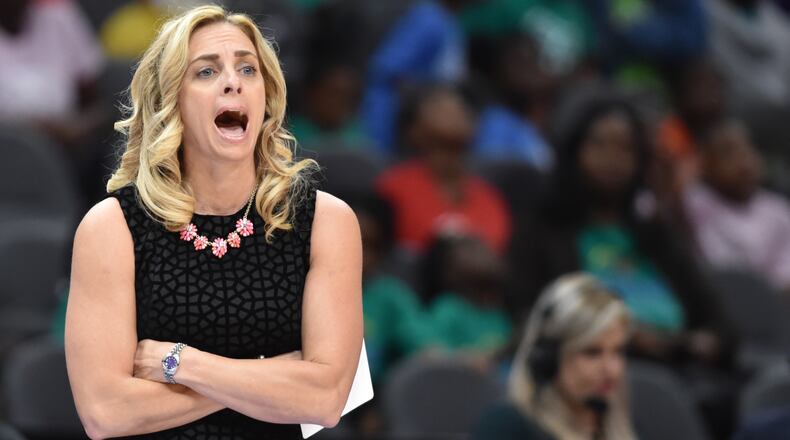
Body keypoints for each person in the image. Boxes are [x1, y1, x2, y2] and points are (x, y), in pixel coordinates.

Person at [64, 5, 363, 439]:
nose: (232, 81)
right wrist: (275, 377)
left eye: (248, 69)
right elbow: (106, 412)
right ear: (172, 101)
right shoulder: (112, 228)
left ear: (267, 94)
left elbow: (326, 400)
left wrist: (181, 364)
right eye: (205, 72)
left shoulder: (325, 222)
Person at [472, 272, 637, 440]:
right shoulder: (506, 427)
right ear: (547, 358)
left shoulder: (627, 426)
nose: (612, 370)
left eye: (618, 352)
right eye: (592, 353)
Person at [682, 118, 790, 294]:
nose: (743, 162)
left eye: (747, 150)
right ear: (705, 164)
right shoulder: (697, 204)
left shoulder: (778, 209)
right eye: (728, 153)